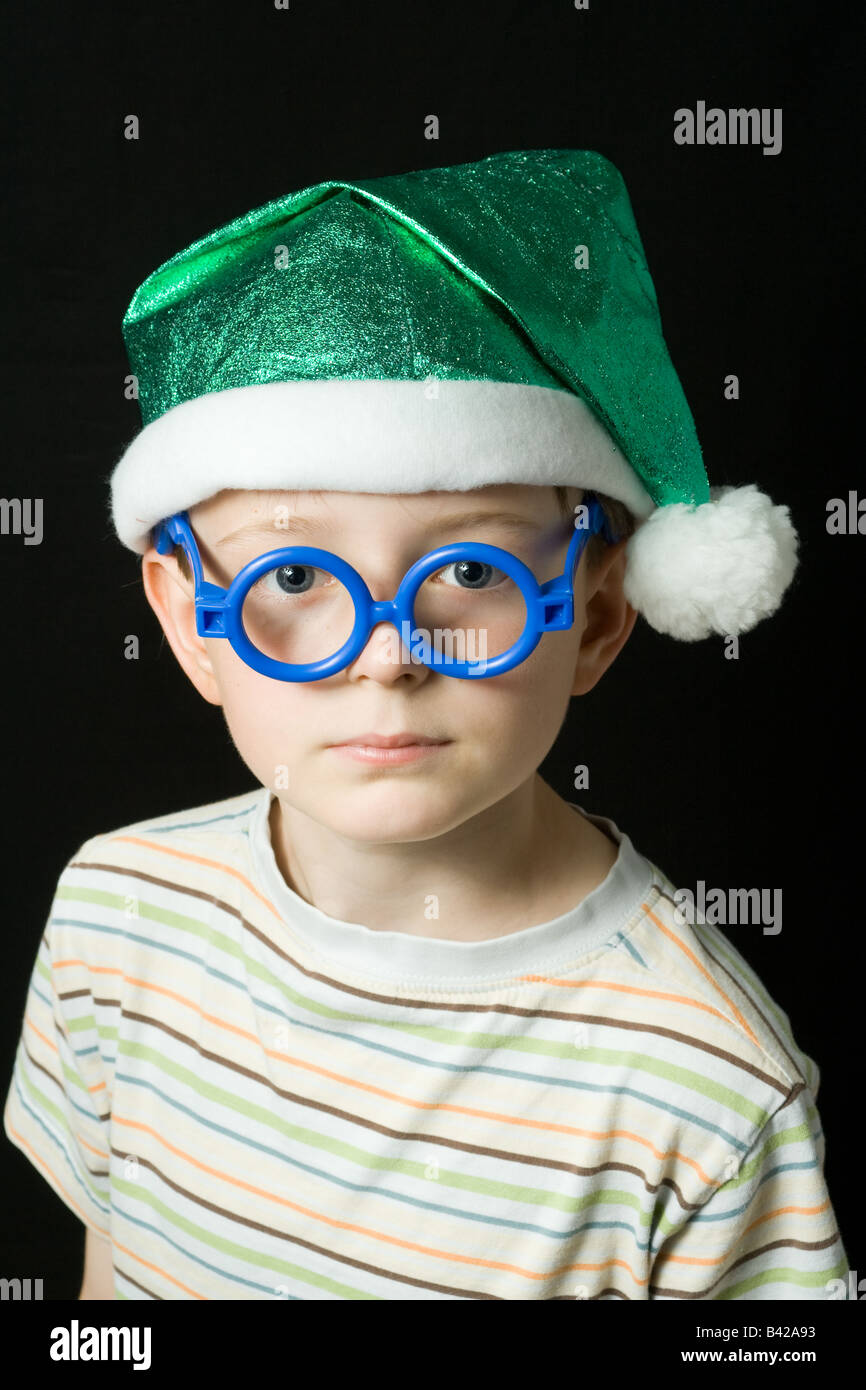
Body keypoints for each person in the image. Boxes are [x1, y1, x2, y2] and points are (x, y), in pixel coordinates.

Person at [4, 149, 848, 1300]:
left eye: (467, 566)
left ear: (597, 615)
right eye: (295, 579)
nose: (388, 656)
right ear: (189, 619)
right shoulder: (117, 912)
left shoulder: (705, 1081)